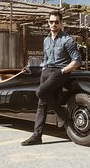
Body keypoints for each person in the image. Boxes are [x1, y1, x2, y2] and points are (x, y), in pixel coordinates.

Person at [21, 10, 82, 146]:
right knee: (41, 104)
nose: (53, 24)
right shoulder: (46, 40)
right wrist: (43, 69)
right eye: (51, 21)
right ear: (48, 23)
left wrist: (62, 71)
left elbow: (77, 61)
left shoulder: (68, 40)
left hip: (59, 72)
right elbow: (46, 58)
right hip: (46, 72)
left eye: (56, 22)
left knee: (40, 92)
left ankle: (62, 113)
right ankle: (37, 136)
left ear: (61, 23)